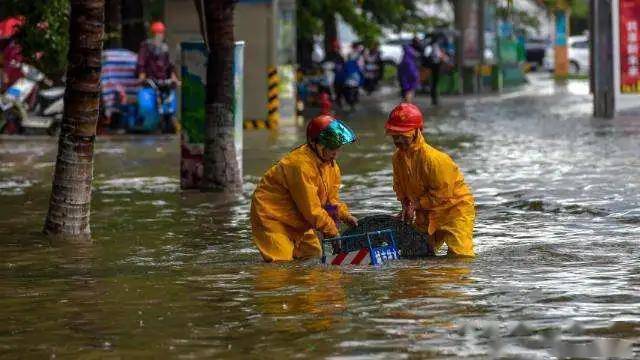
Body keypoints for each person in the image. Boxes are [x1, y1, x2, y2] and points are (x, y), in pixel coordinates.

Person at [250, 115, 359, 262]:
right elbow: (311, 209)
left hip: (298, 219)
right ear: (317, 145)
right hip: (271, 216)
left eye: (338, 148)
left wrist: (345, 216)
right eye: (332, 148)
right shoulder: (300, 166)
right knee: (280, 267)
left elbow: (330, 202)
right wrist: (332, 232)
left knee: (313, 257)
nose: (336, 153)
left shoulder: (331, 167)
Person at [385, 103, 475, 257]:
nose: (398, 140)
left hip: (454, 210)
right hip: (425, 212)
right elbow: (400, 186)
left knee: (460, 258)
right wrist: (406, 206)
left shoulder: (434, 159)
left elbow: (442, 194)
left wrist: (416, 205)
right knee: (415, 253)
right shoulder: (397, 159)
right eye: (395, 135)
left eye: (402, 135)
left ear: (416, 132)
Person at [136, 21, 180, 132]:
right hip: (151, 81)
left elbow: (170, 66)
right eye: (156, 33)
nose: (158, 35)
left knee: (170, 104)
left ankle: (168, 121)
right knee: (149, 106)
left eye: (160, 33)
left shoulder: (166, 48)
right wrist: (142, 77)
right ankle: (149, 125)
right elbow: (141, 64)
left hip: (164, 81)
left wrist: (175, 79)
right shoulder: (146, 46)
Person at [424, 33, 449, 106]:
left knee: (433, 82)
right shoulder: (435, 45)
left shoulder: (430, 45)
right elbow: (438, 55)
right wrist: (446, 59)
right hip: (435, 65)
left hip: (432, 65)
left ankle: (434, 98)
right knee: (434, 82)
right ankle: (434, 99)